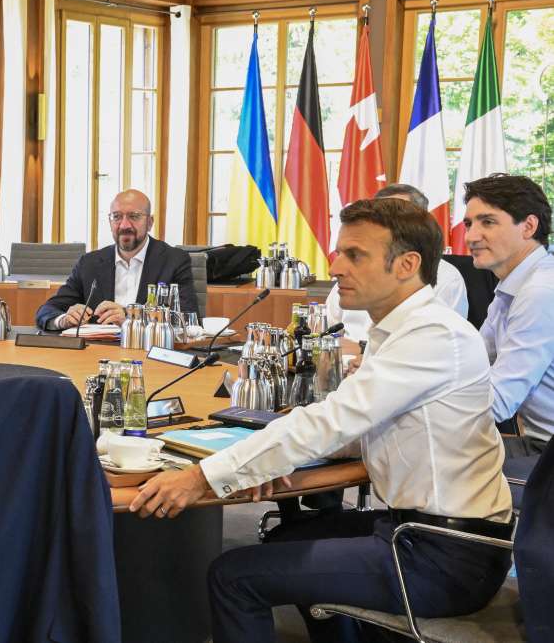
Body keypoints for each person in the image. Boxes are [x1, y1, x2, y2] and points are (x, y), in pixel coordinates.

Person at [130, 198, 512, 643]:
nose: (334, 267)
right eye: (338, 252)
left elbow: (328, 423)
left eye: (355, 255)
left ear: (407, 265)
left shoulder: (432, 335)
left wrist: (202, 477)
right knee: (283, 542)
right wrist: (273, 460)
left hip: (444, 554)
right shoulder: (402, 330)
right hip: (424, 532)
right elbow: (355, 430)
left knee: (233, 577)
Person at [464, 173, 554, 454]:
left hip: (545, 452)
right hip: (539, 445)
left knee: (427, 463)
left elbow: (497, 403)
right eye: (469, 224)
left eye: (487, 222)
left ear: (528, 226)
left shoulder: (540, 291)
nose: (470, 236)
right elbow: (471, 361)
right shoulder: (514, 285)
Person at [34, 189, 198, 330]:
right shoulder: (89, 263)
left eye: (134, 216)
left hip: (149, 351)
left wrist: (130, 317)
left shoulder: (174, 261)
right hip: (96, 352)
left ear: (150, 222)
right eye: (117, 217)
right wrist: (63, 320)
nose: (124, 225)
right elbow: (47, 310)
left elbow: (187, 318)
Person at [325, 183, 468, 341]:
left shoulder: (447, 282)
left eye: (355, 255)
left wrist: (360, 350)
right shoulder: (349, 283)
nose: (334, 270)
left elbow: (429, 341)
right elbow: (327, 331)